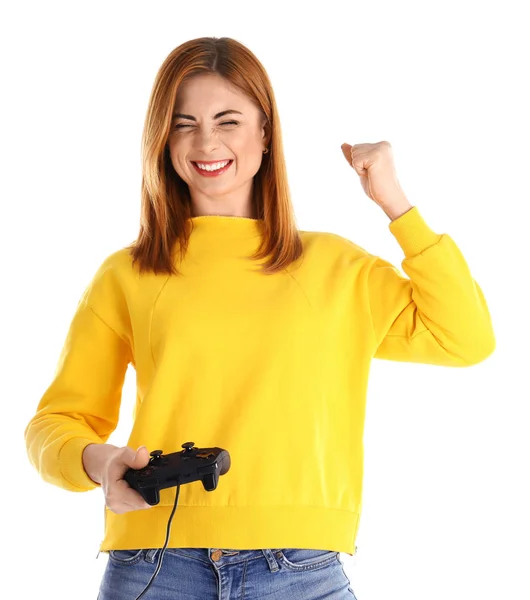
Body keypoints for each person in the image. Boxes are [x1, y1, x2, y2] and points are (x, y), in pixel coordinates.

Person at [24, 36, 496, 600]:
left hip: (301, 570)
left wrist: (397, 205)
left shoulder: (335, 267)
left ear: (266, 134)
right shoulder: (127, 273)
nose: (206, 141)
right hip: (156, 568)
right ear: (162, 139)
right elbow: (54, 422)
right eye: (183, 123)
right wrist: (99, 462)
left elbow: (465, 338)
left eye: (228, 121)